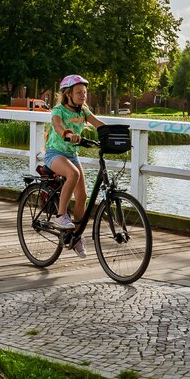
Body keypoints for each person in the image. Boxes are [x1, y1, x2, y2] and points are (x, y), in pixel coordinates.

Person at [44, 74, 105, 257]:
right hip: (55, 154)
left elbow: (98, 124)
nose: (83, 95)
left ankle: (76, 236)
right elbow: (57, 126)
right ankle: (61, 215)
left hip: (71, 154)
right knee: (73, 174)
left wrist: (114, 134)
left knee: (83, 195)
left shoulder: (83, 111)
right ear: (68, 94)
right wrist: (67, 134)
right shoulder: (58, 110)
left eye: (85, 92)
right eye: (79, 92)